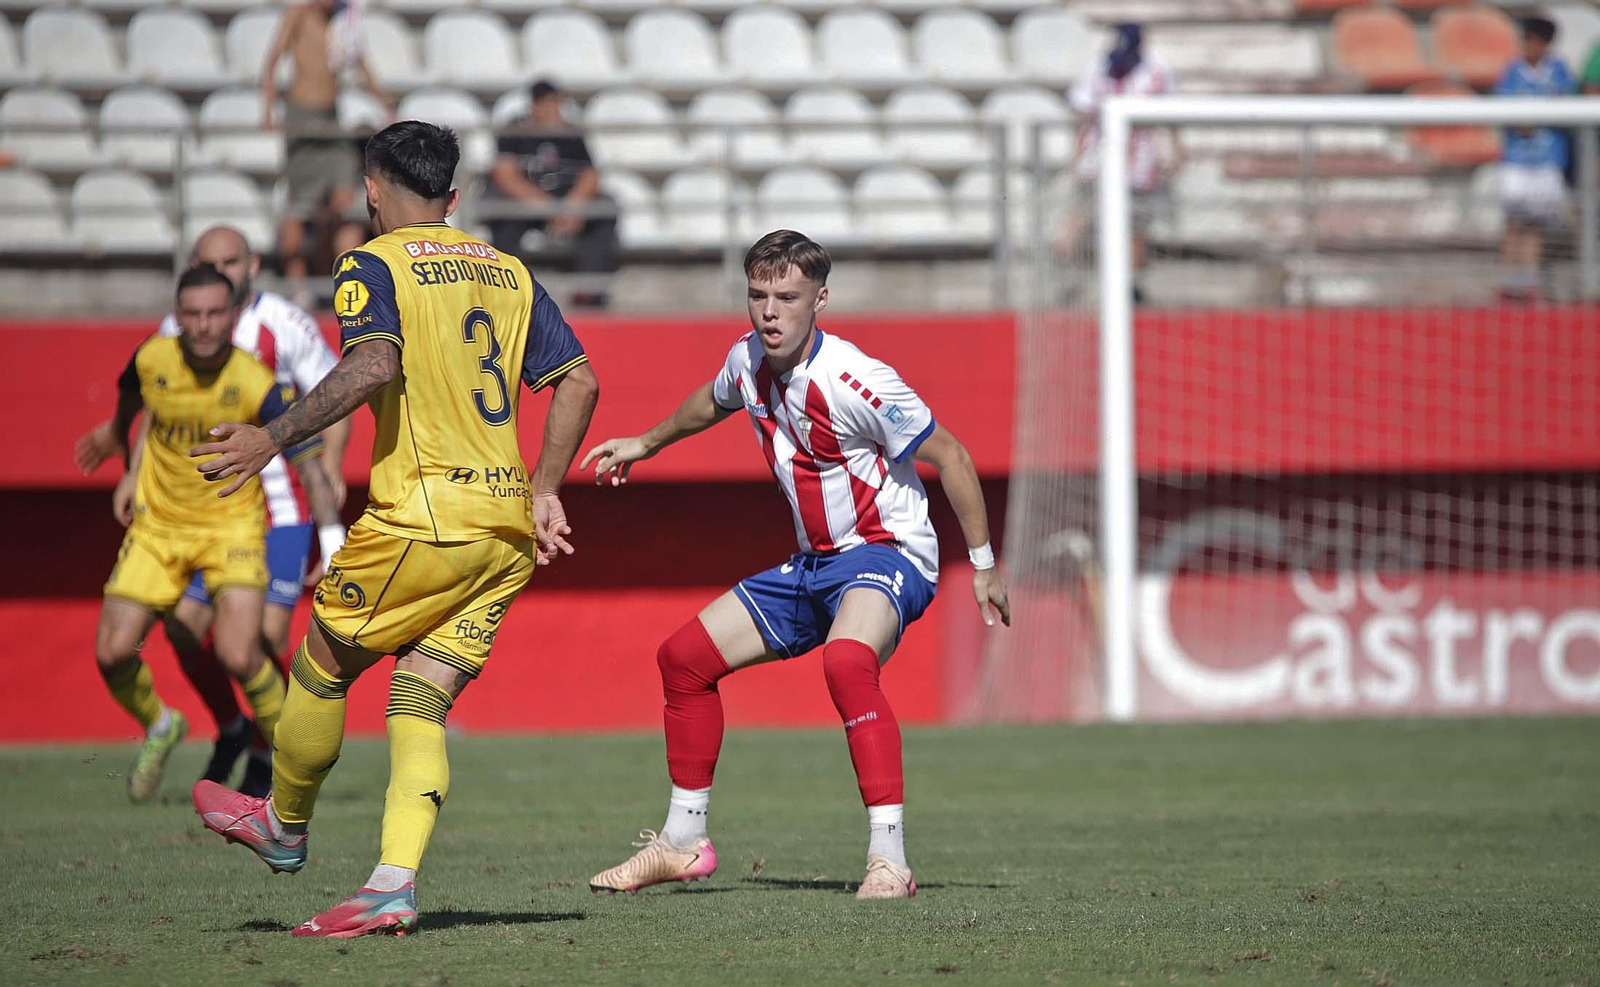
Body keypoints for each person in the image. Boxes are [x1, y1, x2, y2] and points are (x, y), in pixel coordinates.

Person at [189, 121, 600, 938]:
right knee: (419, 698)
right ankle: (390, 884)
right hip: (504, 529)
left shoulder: (370, 264)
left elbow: (373, 363)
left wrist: (271, 436)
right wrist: (544, 487)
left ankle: (285, 822)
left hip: (423, 518)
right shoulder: (509, 270)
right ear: (453, 197)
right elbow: (580, 380)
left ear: (372, 190)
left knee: (320, 665)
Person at [581, 230, 1010, 900]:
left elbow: (950, 455)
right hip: (812, 565)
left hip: (888, 553)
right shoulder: (746, 360)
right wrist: (646, 441)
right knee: (683, 658)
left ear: (820, 300)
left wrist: (982, 563)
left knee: (845, 661)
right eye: (758, 295)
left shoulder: (856, 379)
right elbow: (710, 400)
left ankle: (888, 859)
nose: (770, 311)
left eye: (787, 296)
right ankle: (684, 839)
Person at [76, 226, 351, 797]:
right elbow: (153, 400)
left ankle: (275, 755)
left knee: (262, 638)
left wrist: (331, 480)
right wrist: (129, 464)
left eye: (230, 263)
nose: (221, 275)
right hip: (183, 515)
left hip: (275, 505)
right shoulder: (166, 341)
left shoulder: (282, 329)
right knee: (184, 630)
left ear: (250, 265)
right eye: (209, 263)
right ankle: (234, 729)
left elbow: (335, 396)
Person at [261, 0, 391, 306]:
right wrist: (267, 110)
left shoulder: (345, 22)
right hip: (301, 116)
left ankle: (346, 283)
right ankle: (300, 286)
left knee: (344, 201)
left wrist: (386, 105)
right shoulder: (299, 14)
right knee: (301, 203)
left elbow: (362, 63)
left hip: (332, 118)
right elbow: (272, 61)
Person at [1061, 23, 1178, 304]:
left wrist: (1176, 152)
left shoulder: (1158, 71)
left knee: (1136, 227)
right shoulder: (1098, 67)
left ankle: (1130, 287)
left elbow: (1173, 115)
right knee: (1078, 220)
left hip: (1140, 170)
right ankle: (1067, 281)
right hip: (1097, 164)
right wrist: (1078, 157)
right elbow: (1082, 113)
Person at [489, 79, 619, 307]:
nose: (556, 110)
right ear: (535, 106)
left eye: (559, 104)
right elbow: (505, 175)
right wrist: (548, 208)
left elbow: (590, 174)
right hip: (526, 204)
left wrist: (573, 206)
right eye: (550, 104)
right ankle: (505, 294)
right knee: (503, 217)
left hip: (566, 204)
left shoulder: (570, 132)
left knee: (603, 210)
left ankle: (591, 291)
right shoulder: (514, 130)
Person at [1494, 17, 1576, 303]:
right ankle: (1508, 282)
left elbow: (1567, 107)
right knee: (1514, 221)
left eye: (1536, 41)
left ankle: (1528, 282)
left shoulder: (1559, 71)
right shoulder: (1512, 71)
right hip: (1516, 159)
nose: (1531, 46)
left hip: (1548, 158)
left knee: (1535, 224)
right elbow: (1505, 109)